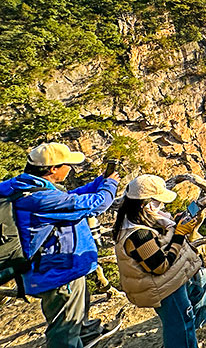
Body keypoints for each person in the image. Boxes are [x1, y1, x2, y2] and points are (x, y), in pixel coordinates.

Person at [0, 142, 119, 348]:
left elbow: (71, 196)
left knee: (76, 310)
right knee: (63, 330)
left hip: (59, 264)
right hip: (57, 271)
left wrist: (100, 181)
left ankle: (85, 332)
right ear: (53, 169)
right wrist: (110, 185)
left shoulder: (23, 185)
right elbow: (95, 204)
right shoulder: (40, 199)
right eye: (68, 165)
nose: (70, 169)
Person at [112, 175, 206, 348]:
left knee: (201, 280)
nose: (163, 206)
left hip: (167, 281)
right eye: (159, 202)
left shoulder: (139, 218)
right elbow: (161, 266)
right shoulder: (138, 235)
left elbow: (160, 242)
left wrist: (176, 224)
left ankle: (189, 332)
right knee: (181, 325)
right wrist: (179, 234)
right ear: (146, 205)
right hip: (162, 287)